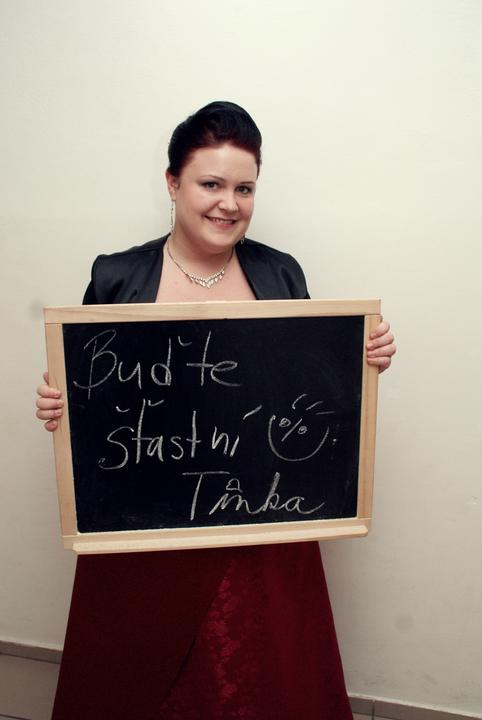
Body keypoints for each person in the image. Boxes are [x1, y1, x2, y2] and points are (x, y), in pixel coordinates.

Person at [36, 101, 396, 719]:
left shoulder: (280, 274)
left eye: (244, 188)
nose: (229, 204)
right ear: (172, 183)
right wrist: (61, 404)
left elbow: (308, 401)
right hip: (144, 531)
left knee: (259, 680)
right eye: (211, 184)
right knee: (137, 681)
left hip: (258, 525)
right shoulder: (117, 276)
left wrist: (360, 361)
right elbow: (94, 398)